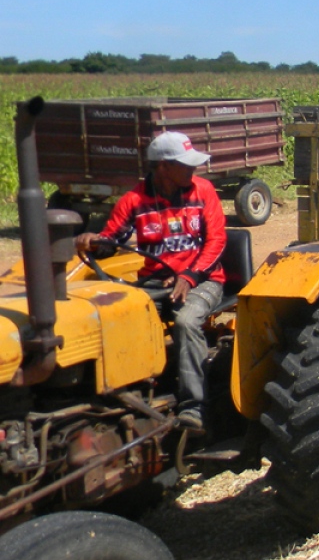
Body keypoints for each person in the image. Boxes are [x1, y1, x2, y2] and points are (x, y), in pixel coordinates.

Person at [76, 131, 227, 431]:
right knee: (117, 317)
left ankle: (194, 406)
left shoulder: (203, 191)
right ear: (163, 166)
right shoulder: (134, 199)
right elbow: (111, 240)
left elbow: (218, 241)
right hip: (155, 283)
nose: (193, 169)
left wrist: (189, 276)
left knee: (186, 321)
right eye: (186, 164)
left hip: (204, 280)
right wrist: (92, 241)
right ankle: (129, 393)